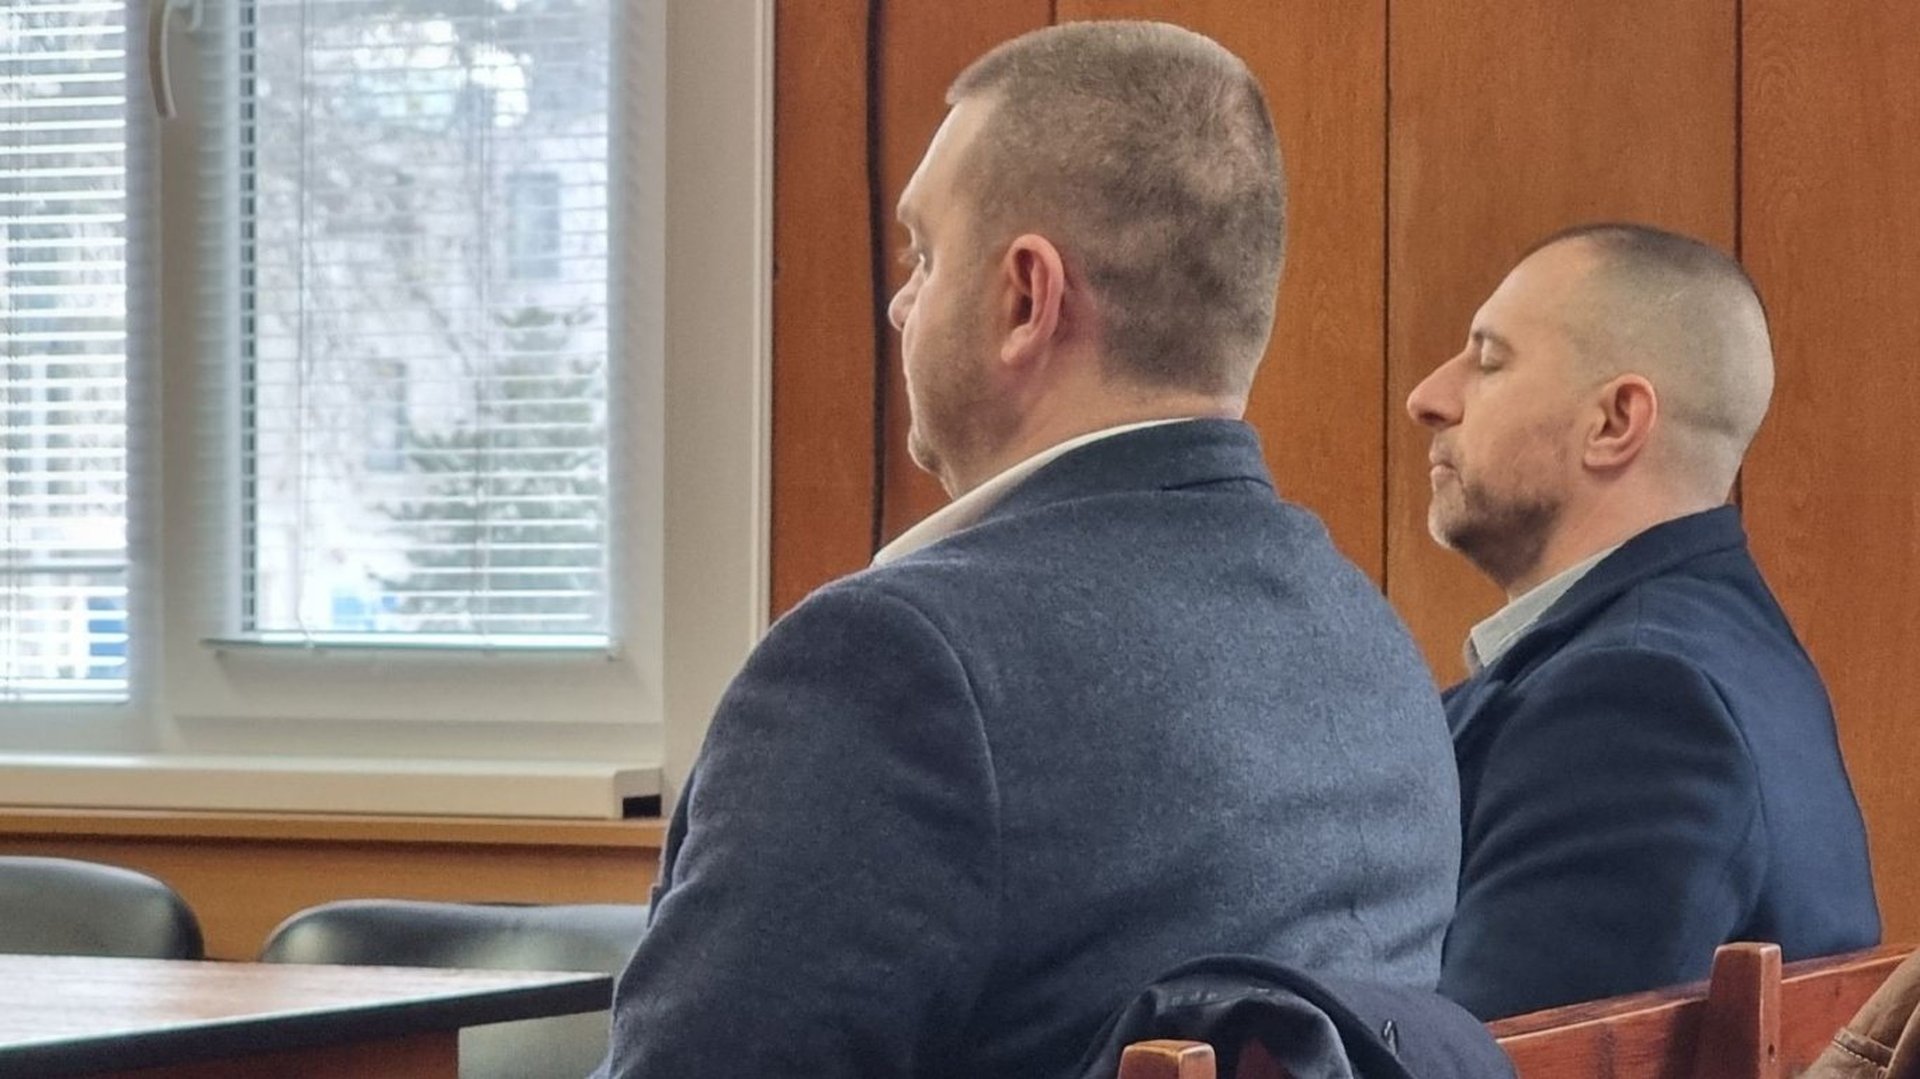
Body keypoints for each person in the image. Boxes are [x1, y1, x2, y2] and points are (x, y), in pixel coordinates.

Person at [595, 21, 1459, 1079]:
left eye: (923, 254)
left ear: (1024, 299)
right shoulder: (1374, 648)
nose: (899, 302)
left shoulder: (894, 666)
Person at [1406, 222, 1880, 1021]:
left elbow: (1484, 1055)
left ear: (1616, 422)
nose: (1428, 397)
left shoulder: (1637, 700)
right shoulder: (1718, 650)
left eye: (1489, 361)